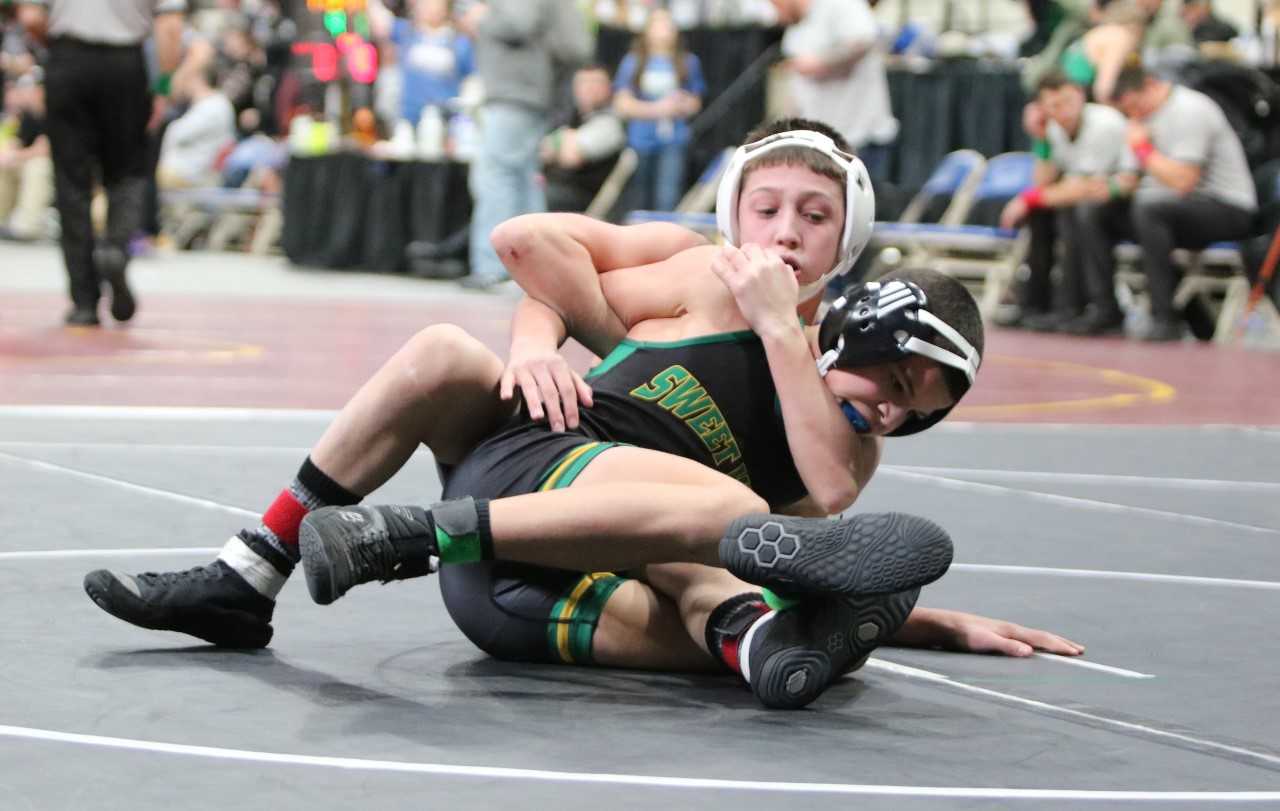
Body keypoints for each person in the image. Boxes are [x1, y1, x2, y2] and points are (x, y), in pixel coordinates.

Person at [85, 119, 1080, 710]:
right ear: (733, 212)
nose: (784, 233)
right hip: (535, 460)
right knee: (446, 354)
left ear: (849, 238)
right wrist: (536, 337)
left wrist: (912, 614)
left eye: (813, 218)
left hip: (541, 588)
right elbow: (531, 247)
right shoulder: (696, 275)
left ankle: (779, 648)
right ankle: (249, 568)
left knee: (726, 547)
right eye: (767, 209)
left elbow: (823, 498)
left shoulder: (835, 432)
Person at [16, 0, 184, 327]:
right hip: (124, 66)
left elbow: (31, 16)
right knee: (127, 172)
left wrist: (62, 50)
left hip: (69, 61)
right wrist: (162, 86)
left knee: (71, 184)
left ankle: (84, 301)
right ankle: (116, 249)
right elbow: (170, 27)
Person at [1078, 65, 1258, 341]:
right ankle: (1106, 310)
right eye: (1128, 111)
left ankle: (1165, 319)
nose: (1134, 114)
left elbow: (1183, 181)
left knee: (1149, 207)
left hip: (1226, 207)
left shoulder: (1191, 109)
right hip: (1166, 208)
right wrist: (1107, 188)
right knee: (1093, 212)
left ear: (1150, 85)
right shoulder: (1137, 118)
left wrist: (1142, 149)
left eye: (1136, 106)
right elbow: (1131, 178)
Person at [459, 0, 592, 289]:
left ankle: (494, 268)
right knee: (523, 179)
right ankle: (530, 268)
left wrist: (482, 18)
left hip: (515, 92)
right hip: (526, 92)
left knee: (497, 175)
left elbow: (519, 21)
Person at [998, 71, 1135, 334]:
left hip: (1122, 201)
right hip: (1086, 200)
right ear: (1042, 109)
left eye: (1069, 101)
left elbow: (1085, 188)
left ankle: (1084, 307)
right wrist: (1041, 140)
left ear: (1082, 97)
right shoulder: (1052, 130)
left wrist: (1027, 198)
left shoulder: (1104, 123)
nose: (1065, 111)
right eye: (1055, 106)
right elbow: (1044, 183)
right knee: (1040, 213)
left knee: (1074, 211)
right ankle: (1035, 305)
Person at [768, 0, 897, 184]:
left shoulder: (838, 4)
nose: (775, 15)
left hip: (858, 139)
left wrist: (822, 64)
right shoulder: (796, 29)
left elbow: (863, 39)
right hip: (823, 143)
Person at [612, 8, 704, 212]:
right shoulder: (633, 62)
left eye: (667, 24)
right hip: (641, 140)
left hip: (673, 139)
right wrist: (657, 109)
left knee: (668, 196)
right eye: (657, 24)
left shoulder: (688, 62)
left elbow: (695, 101)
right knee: (639, 195)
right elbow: (622, 103)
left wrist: (682, 103)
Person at [368, 0, 474, 129]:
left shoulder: (459, 41)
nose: (429, 7)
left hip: (446, 123)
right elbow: (380, 21)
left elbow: (471, 82)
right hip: (407, 121)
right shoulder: (406, 32)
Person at [541, 63, 626, 214]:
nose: (588, 88)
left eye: (595, 83)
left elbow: (571, 157)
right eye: (583, 83)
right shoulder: (569, 117)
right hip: (555, 189)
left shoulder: (610, 123)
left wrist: (561, 139)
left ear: (609, 88)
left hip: (579, 199)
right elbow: (540, 152)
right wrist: (564, 139)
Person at [155, 61, 236, 189]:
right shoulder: (208, 104)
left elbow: (175, 134)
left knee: (142, 178)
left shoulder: (214, 105)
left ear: (198, 79)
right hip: (186, 170)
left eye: (187, 78)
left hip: (190, 174)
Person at [0, 67, 52, 241]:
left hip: (56, 167)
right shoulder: (29, 115)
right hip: (29, 159)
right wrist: (8, 153)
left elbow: (45, 148)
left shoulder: (58, 114)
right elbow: (19, 141)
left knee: (38, 167)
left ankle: (27, 226)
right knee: (6, 165)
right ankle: (2, 218)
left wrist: (19, 155)